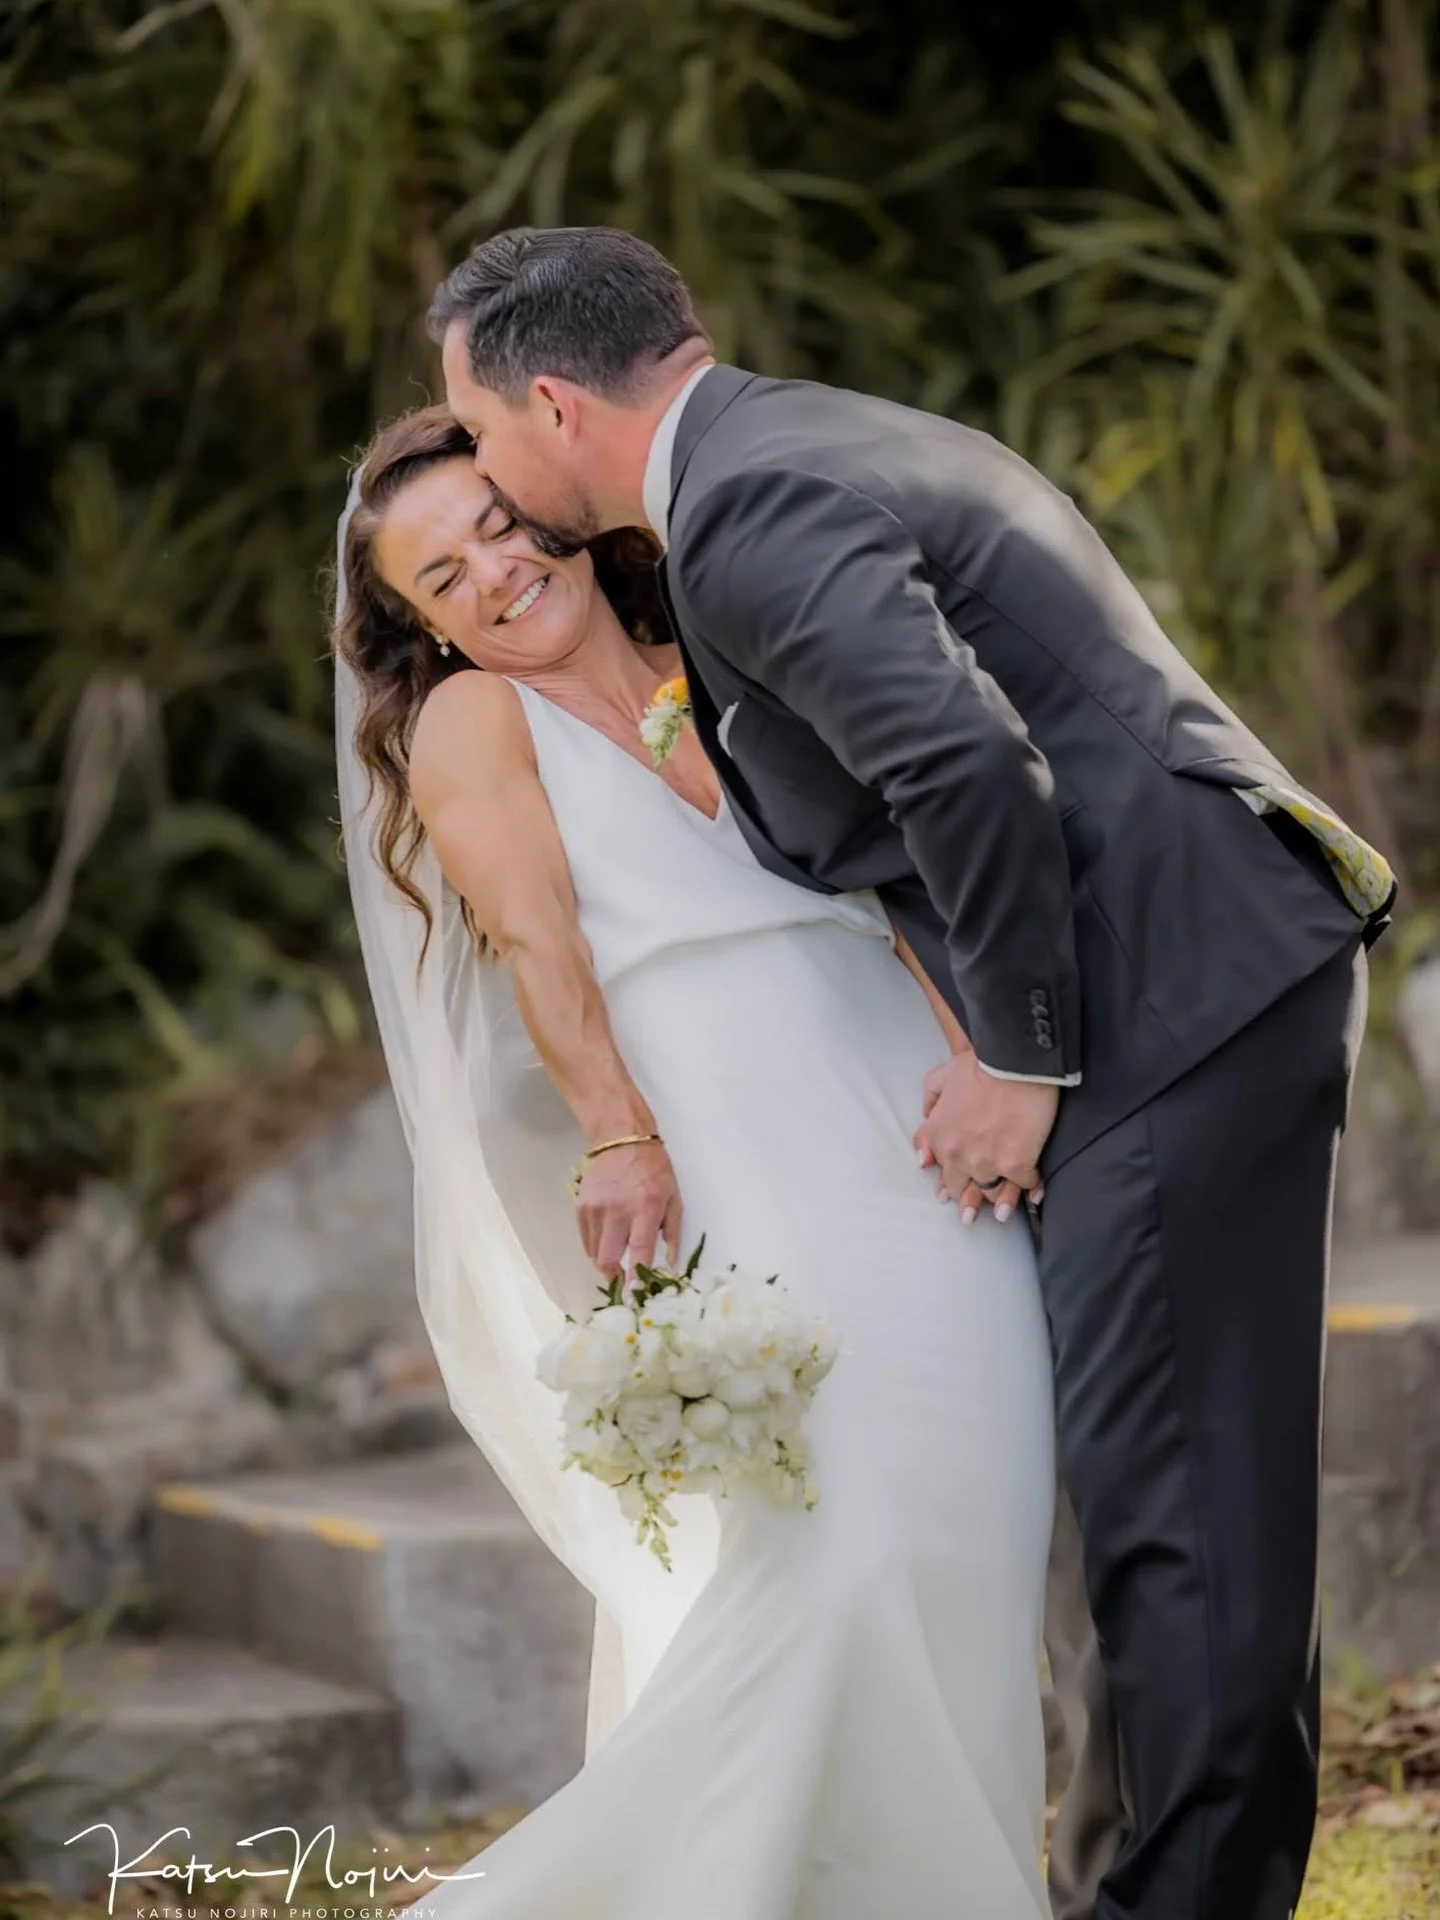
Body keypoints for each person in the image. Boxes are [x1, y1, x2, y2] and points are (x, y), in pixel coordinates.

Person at [426, 226, 1394, 1920]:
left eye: (487, 441)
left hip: (1164, 1003)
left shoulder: (745, 512)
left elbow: (966, 761)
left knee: (1184, 1528)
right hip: (1187, 983)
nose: (491, 483)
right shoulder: (805, 439)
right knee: (1151, 1514)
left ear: (555, 402)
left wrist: (1019, 1057)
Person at [333, 405, 1059, 1917]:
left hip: (905, 1088)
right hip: (745, 1127)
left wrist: (989, 1057)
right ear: (422, 629)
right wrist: (618, 1133)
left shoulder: (711, 653)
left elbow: (887, 881)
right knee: (846, 1540)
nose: (493, 576)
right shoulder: (477, 723)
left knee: (976, 1511)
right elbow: (537, 941)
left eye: (495, 526)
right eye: (441, 580)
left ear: (553, 506)